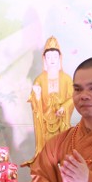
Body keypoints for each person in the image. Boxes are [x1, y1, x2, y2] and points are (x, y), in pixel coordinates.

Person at [26, 36, 74, 165]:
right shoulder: (40, 79)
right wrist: (37, 96)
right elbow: (35, 104)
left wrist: (64, 107)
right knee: (47, 154)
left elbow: (73, 97)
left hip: (61, 123)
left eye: (55, 56)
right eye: (49, 57)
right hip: (45, 125)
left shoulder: (66, 79)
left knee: (62, 151)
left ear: (59, 58)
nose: (52, 60)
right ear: (44, 59)